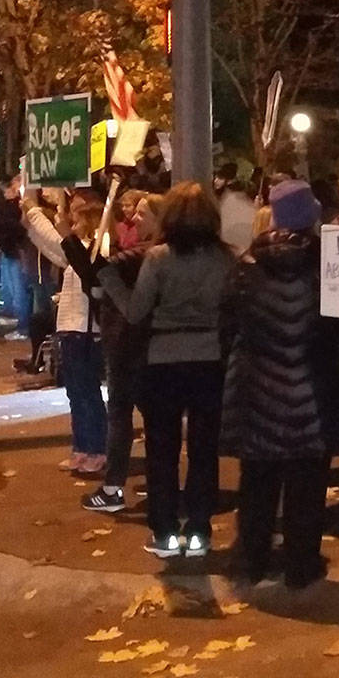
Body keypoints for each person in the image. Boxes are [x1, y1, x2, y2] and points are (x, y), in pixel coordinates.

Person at [220, 180, 339, 588]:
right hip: (315, 392)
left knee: (257, 482)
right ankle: (301, 565)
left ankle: (252, 560)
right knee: (308, 484)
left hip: (257, 394)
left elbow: (227, 329)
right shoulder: (330, 265)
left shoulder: (246, 266)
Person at [99, 182, 234, 558]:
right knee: (204, 450)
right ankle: (199, 530)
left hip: (163, 359)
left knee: (163, 449)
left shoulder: (158, 258)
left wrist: (109, 282)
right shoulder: (226, 259)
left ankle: (164, 532)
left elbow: (136, 311)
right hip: (209, 359)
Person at [77, 193, 165, 512]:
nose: (135, 219)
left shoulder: (145, 255)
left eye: (143, 213)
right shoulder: (152, 254)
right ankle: (159, 482)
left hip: (129, 346)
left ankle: (114, 487)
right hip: (142, 346)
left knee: (122, 415)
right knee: (151, 418)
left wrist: (99, 270)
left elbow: (115, 285)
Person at [22, 189, 107, 475]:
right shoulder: (78, 249)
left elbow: (57, 244)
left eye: (79, 218)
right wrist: (33, 222)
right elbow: (53, 248)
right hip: (71, 327)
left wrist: (35, 212)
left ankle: (96, 448)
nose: (73, 222)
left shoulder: (96, 249)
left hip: (85, 329)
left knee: (88, 392)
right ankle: (82, 447)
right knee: (75, 392)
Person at [0, 175, 31, 340]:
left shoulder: (14, 205)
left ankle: (24, 327)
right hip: (12, 250)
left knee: (19, 290)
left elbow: (15, 227)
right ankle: (21, 323)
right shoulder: (8, 205)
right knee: (15, 288)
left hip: (16, 251)